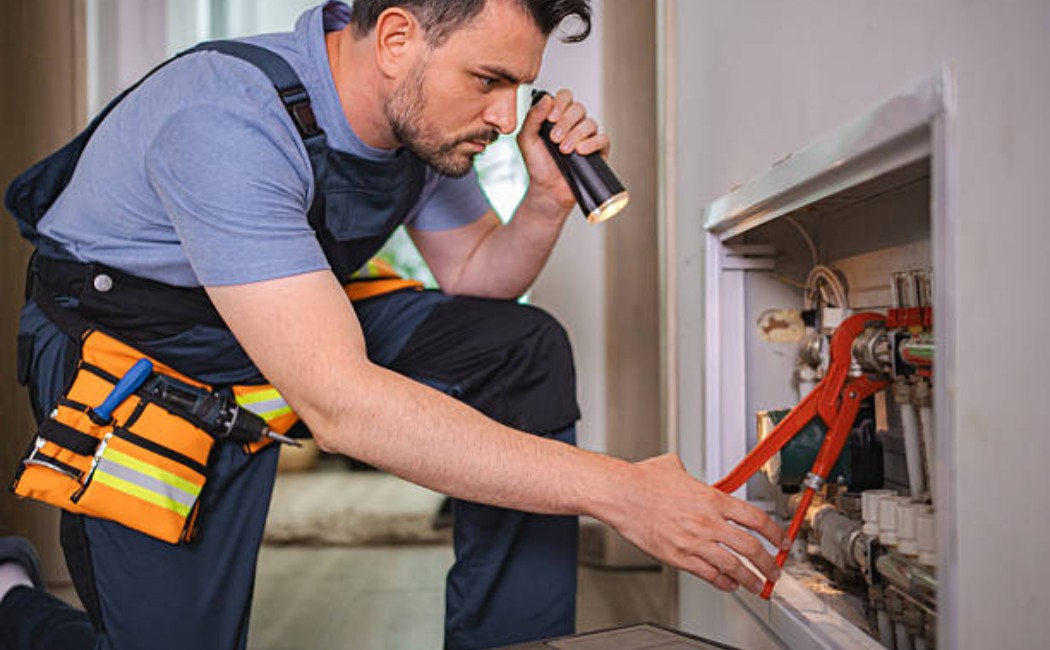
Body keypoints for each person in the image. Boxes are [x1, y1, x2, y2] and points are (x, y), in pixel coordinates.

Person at [0, 1, 787, 648]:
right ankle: (10, 600)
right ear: (398, 37)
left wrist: (546, 199)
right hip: (140, 343)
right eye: (489, 79)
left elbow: (479, 274)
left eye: (519, 85)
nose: (507, 117)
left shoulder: (413, 125)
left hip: (293, 312)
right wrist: (622, 492)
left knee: (521, 350)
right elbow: (342, 407)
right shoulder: (226, 119)